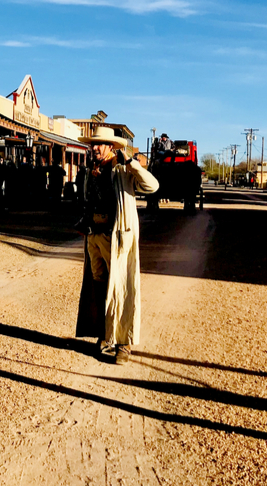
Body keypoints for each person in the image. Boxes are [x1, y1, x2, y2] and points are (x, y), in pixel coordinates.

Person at [75, 126, 159, 364]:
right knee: (100, 287)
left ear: (110, 146)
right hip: (94, 236)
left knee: (121, 288)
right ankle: (105, 335)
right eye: (92, 144)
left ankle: (124, 344)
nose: (94, 148)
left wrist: (133, 164)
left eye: (99, 144)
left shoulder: (122, 169)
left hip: (117, 237)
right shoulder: (90, 169)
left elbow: (152, 187)